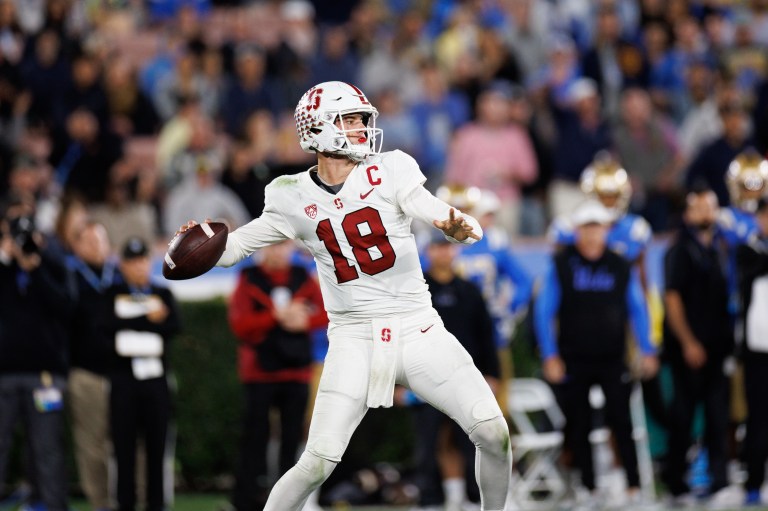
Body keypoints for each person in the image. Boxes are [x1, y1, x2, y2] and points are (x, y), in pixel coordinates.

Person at [179, 81, 511, 511]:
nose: (361, 128)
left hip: (417, 326)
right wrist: (198, 244)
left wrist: (450, 221)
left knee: (491, 431)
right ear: (318, 127)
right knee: (317, 461)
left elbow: (424, 203)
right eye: (350, 119)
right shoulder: (289, 194)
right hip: (354, 338)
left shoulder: (390, 168)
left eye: (361, 119)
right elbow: (237, 248)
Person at [534, 199, 658, 506]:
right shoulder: (562, 265)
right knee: (578, 423)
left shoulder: (619, 265)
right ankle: (587, 488)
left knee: (622, 421)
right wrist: (550, 355)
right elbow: (544, 311)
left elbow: (637, 308)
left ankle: (632, 486)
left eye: (597, 227)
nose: (592, 235)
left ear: (606, 231)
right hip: (573, 357)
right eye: (586, 228)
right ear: (576, 231)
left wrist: (648, 348)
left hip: (612, 357)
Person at [227, 240, 328, 511]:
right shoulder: (249, 279)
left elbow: (326, 313)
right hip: (260, 373)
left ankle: (292, 501)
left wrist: (304, 320)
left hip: (296, 371)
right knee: (254, 438)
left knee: (294, 438)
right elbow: (240, 325)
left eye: (283, 245)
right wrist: (276, 317)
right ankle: (246, 501)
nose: (278, 251)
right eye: (272, 246)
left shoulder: (302, 277)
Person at [404, 231, 499, 510]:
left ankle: (470, 497)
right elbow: (402, 335)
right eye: (437, 247)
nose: (443, 253)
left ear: (455, 251)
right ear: (428, 251)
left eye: (447, 247)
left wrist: (491, 374)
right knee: (428, 440)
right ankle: (430, 498)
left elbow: (485, 336)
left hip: (464, 378)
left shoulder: (469, 291)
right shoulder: (414, 289)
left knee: (469, 439)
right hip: (425, 377)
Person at [0, 193, 75, 511]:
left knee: (47, 448)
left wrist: (36, 266)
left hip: (45, 376)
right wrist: (6, 260)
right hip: (3, 375)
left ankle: (50, 505)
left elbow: (67, 309)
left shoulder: (53, 261)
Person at [661, 188, 734, 504]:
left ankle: (720, 483)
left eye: (710, 207)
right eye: (699, 207)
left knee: (719, 416)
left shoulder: (722, 246)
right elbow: (672, 298)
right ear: (688, 213)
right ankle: (676, 482)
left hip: (718, 346)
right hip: (686, 348)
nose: (705, 213)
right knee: (684, 415)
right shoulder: (679, 250)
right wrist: (688, 341)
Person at [104, 237, 181, 511]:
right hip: (123, 380)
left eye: (143, 260)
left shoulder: (162, 293)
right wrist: (146, 317)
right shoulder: (111, 293)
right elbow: (106, 326)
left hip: (156, 379)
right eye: (132, 261)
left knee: (157, 448)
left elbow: (173, 325)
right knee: (123, 449)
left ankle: (156, 505)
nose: (139, 267)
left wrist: (132, 321)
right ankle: (124, 504)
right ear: (122, 265)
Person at [68, 221, 122, 511]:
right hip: (86, 373)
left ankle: (129, 499)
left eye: (100, 240)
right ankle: (100, 502)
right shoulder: (70, 278)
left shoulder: (119, 277)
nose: (96, 246)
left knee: (126, 441)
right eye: (89, 241)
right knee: (92, 444)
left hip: (123, 373)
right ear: (76, 247)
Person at [736, 198, 768, 506]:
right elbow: (752, 271)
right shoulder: (748, 249)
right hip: (759, 350)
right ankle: (754, 483)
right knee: (758, 419)